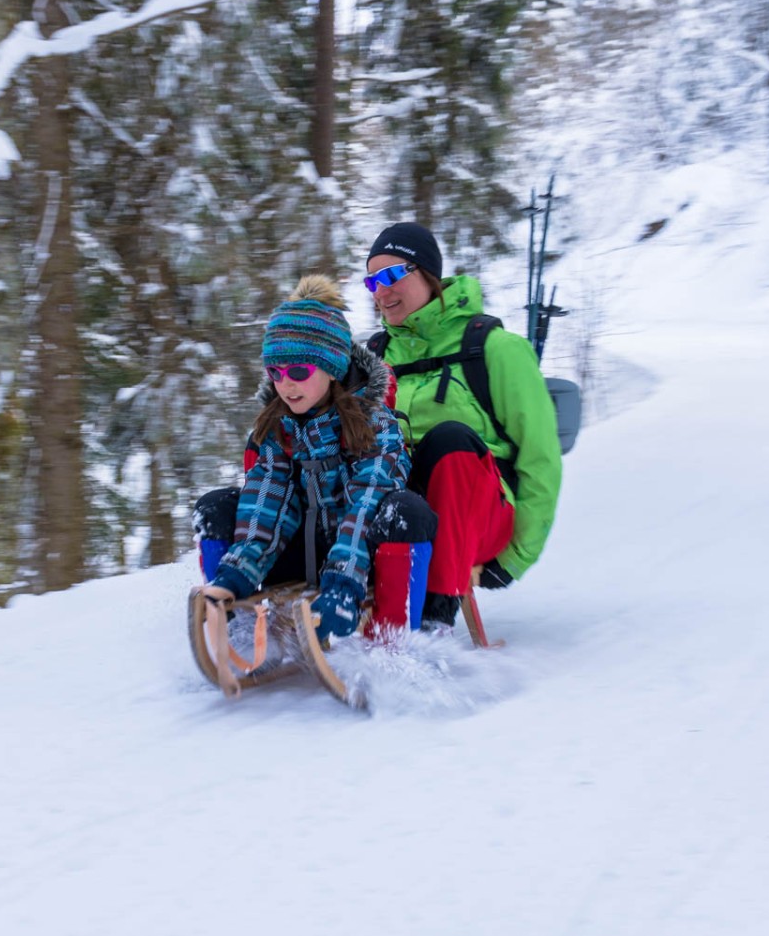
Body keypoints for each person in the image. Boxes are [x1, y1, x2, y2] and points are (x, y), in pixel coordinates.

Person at [194, 275, 436, 642]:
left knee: (405, 510)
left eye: (298, 372)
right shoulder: (278, 428)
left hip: (360, 561)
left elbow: (366, 504)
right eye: (275, 373)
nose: (286, 385)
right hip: (297, 555)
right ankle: (234, 621)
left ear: (332, 367)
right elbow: (267, 502)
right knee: (215, 506)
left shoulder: (373, 424)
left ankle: (392, 640)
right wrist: (238, 571)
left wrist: (342, 580)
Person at [362, 221, 562, 628]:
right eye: (371, 282)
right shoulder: (373, 357)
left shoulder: (494, 349)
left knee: (448, 441)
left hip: (483, 519)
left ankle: (435, 612)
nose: (381, 292)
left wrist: (513, 560)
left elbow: (541, 459)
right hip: (403, 512)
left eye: (392, 275)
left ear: (428, 274)